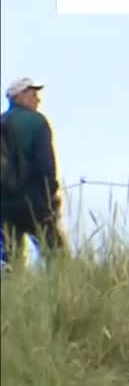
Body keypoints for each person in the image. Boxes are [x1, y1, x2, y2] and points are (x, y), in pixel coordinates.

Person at [1, 77, 69, 271]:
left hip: (4, 205)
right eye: (33, 94)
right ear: (19, 97)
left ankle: (10, 294)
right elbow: (46, 165)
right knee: (56, 255)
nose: (38, 100)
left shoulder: (1, 121)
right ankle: (61, 292)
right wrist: (50, 198)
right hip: (34, 202)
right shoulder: (36, 121)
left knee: (10, 259)